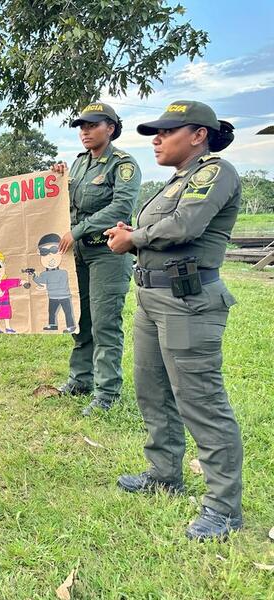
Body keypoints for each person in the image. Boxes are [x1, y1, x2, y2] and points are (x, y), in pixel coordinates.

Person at [104, 100, 242, 541]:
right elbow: (157, 229)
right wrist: (131, 236)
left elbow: (185, 227)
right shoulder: (174, 182)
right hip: (152, 297)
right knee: (152, 389)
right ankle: (164, 473)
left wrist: (134, 238)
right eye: (154, 133)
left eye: (167, 131)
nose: (157, 140)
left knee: (200, 400)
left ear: (198, 134)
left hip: (189, 301)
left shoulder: (214, 172)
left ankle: (223, 508)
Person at [52, 102, 141, 416]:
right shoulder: (77, 165)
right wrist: (56, 180)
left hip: (108, 253)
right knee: (80, 320)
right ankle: (80, 379)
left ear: (110, 128)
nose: (85, 131)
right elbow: (64, 201)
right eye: (82, 126)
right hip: (78, 254)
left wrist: (78, 230)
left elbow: (120, 208)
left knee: (105, 323)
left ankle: (107, 394)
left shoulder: (123, 164)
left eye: (92, 125)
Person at [31, 233, 76, 334]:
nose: (50, 257)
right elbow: (40, 281)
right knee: (51, 312)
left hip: (64, 296)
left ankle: (70, 326)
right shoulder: (44, 274)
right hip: (52, 296)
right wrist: (33, 275)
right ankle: (52, 325)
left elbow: (60, 283)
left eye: (54, 250)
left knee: (67, 312)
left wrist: (45, 287)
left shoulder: (63, 272)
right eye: (44, 252)